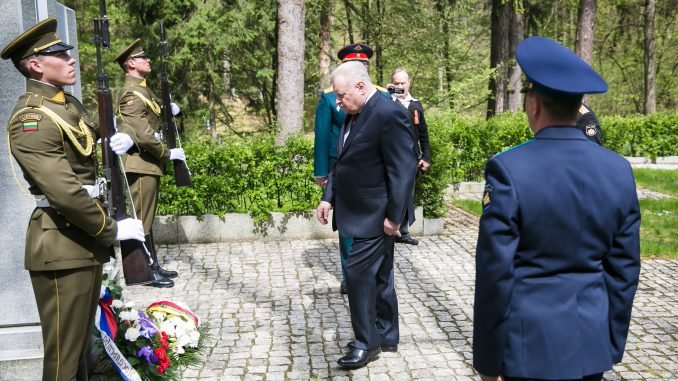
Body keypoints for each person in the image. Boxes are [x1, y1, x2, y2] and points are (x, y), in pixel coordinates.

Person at [472, 36, 641, 381]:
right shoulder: (618, 169)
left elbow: (495, 274)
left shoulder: (508, 169)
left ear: (533, 106)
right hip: (590, 344)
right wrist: (609, 343)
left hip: (527, 348)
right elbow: (624, 270)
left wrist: (488, 361)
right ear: (580, 104)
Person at [1, 18, 145, 380]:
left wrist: (124, 135)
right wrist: (112, 229)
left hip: (80, 241)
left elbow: (105, 127)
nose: (70, 58)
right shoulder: (31, 120)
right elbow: (64, 191)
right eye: (58, 53)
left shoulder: (68, 105)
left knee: (82, 350)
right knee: (64, 360)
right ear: (35, 64)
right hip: (61, 242)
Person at [316, 61, 418, 369]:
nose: (337, 102)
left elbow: (403, 169)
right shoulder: (354, 114)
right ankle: (386, 334)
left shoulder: (388, 114)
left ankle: (366, 341)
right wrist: (327, 198)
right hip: (358, 211)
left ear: (361, 87)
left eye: (341, 94)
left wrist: (395, 217)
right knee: (382, 275)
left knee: (358, 273)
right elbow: (343, 162)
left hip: (377, 215)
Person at [314, 42, 389, 294]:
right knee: (346, 225)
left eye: (363, 64)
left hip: (371, 174)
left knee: (371, 225)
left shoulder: (382, 96)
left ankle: (373, 273)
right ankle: (350, 274)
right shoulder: (328, 97)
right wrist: (322, 171)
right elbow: (323, 135)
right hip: (341, 167)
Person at [113, 39, 186, 288]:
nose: (149, 60)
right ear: (131, 63)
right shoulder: (130, 95)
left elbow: (155, 115)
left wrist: (172, 110)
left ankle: (151, 264)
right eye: (143, 58)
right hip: (140, 163)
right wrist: (167, 154)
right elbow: (143, 134)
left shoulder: (144, 90)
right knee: (140, 220)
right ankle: (142, 272)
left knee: (147, 218)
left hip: (148, 164)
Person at [388, 67, 431, 245]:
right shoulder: (385, 102)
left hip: (410, 159)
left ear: (409, 83)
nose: (399, 86)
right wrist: (386, 93)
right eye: (396, 83)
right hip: (389, 158)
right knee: (390, 194)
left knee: (407, 195)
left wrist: (426, 157)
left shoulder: (416, 104)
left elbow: (424, 134)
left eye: (402, 83)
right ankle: (388, 231)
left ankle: (403, 232)